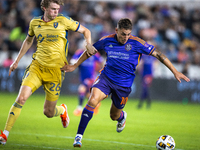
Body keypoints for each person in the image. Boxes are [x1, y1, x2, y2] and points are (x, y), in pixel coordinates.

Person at [61, 18, 190, 147]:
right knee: (93, 99)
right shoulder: (106, 40)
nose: (126, 37)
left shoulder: (137, 43)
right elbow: (90, 52)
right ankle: (78, 137)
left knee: (114, 115)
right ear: (116, 30)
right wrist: (75, 65)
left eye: (128, 34)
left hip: (123, 85)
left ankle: (121, 117)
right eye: (123, 34)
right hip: (106, 78)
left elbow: (158, 54)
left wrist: (175, 71)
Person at [0, 0, 95, 145]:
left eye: (57, 9)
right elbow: (28, 40)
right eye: (53, 9)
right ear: (44, 8)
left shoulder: (63, 20)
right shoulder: (34, 23)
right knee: (21, 99)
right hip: (37, 67)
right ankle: (4, 134)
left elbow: (86, 31)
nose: (56, 12)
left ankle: (62, 110)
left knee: (48, 113)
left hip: (56, 72)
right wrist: (16, 61)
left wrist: (88, 43)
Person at [71, 41, 104, 116]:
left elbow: (101, 61)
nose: (85, 46)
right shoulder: (79, 53)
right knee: (88, 94)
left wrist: (103, 70)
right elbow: (73, 60)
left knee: (81, 89)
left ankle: (79, 109)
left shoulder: (94, 53)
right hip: (82, 77)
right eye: (84, 44)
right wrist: (74, 63)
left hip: (91, 77)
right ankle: (96, 104)